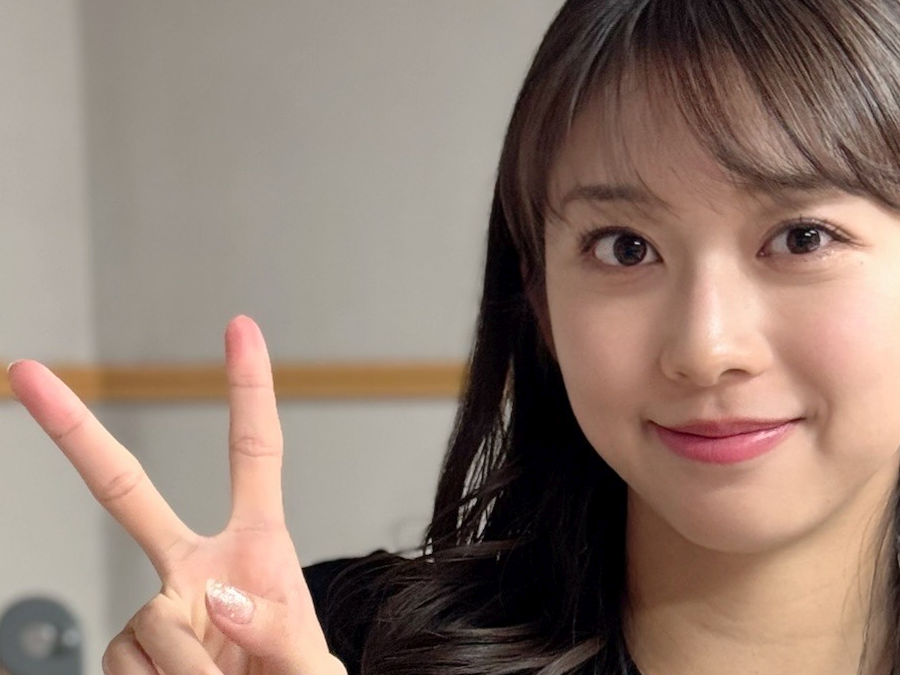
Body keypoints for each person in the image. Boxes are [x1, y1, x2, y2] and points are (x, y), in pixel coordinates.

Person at [9, 0, 900, 672]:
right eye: (624, 247)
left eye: (802, 238)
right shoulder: (323, 645)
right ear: (539, 298)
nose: (706, 348)